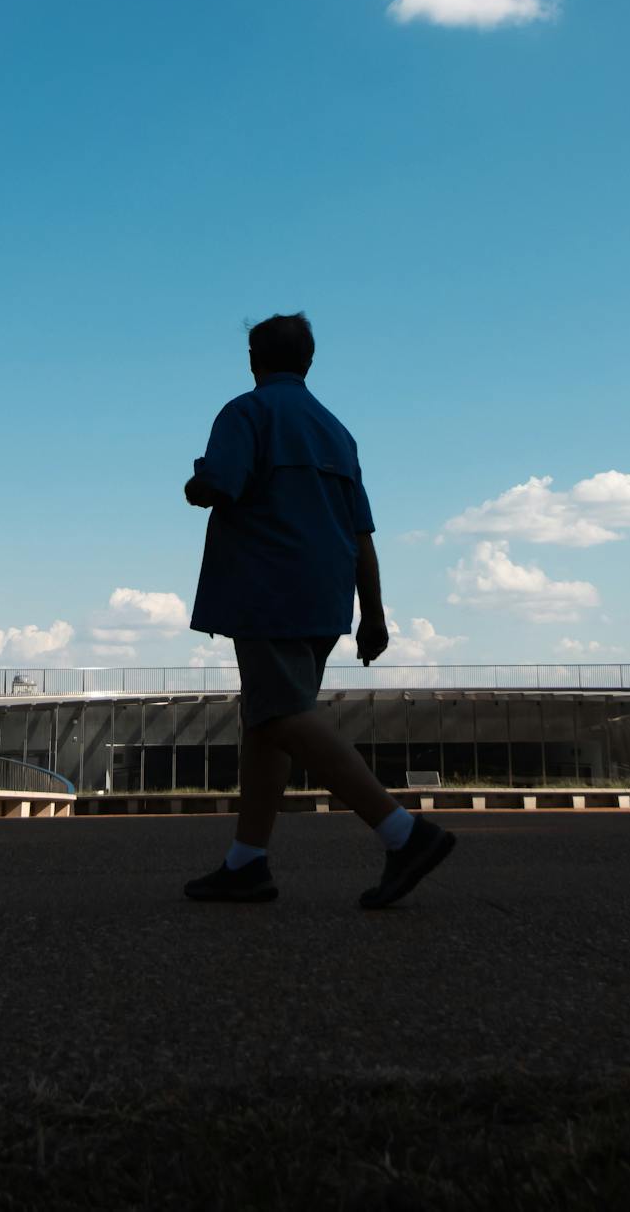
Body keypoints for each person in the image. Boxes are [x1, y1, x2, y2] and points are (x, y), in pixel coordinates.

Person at [178, 313, 456, 909]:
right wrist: (373, 615)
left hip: (266, 588)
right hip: (327, 595)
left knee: (281, 717)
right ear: (309, 360)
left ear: (253, 358)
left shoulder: (245, 413)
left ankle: (404, 833)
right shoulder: (336, 431)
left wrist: (194, 484)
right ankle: (246, 863)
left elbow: (219, 485)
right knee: (267, 722)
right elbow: (362, 533)